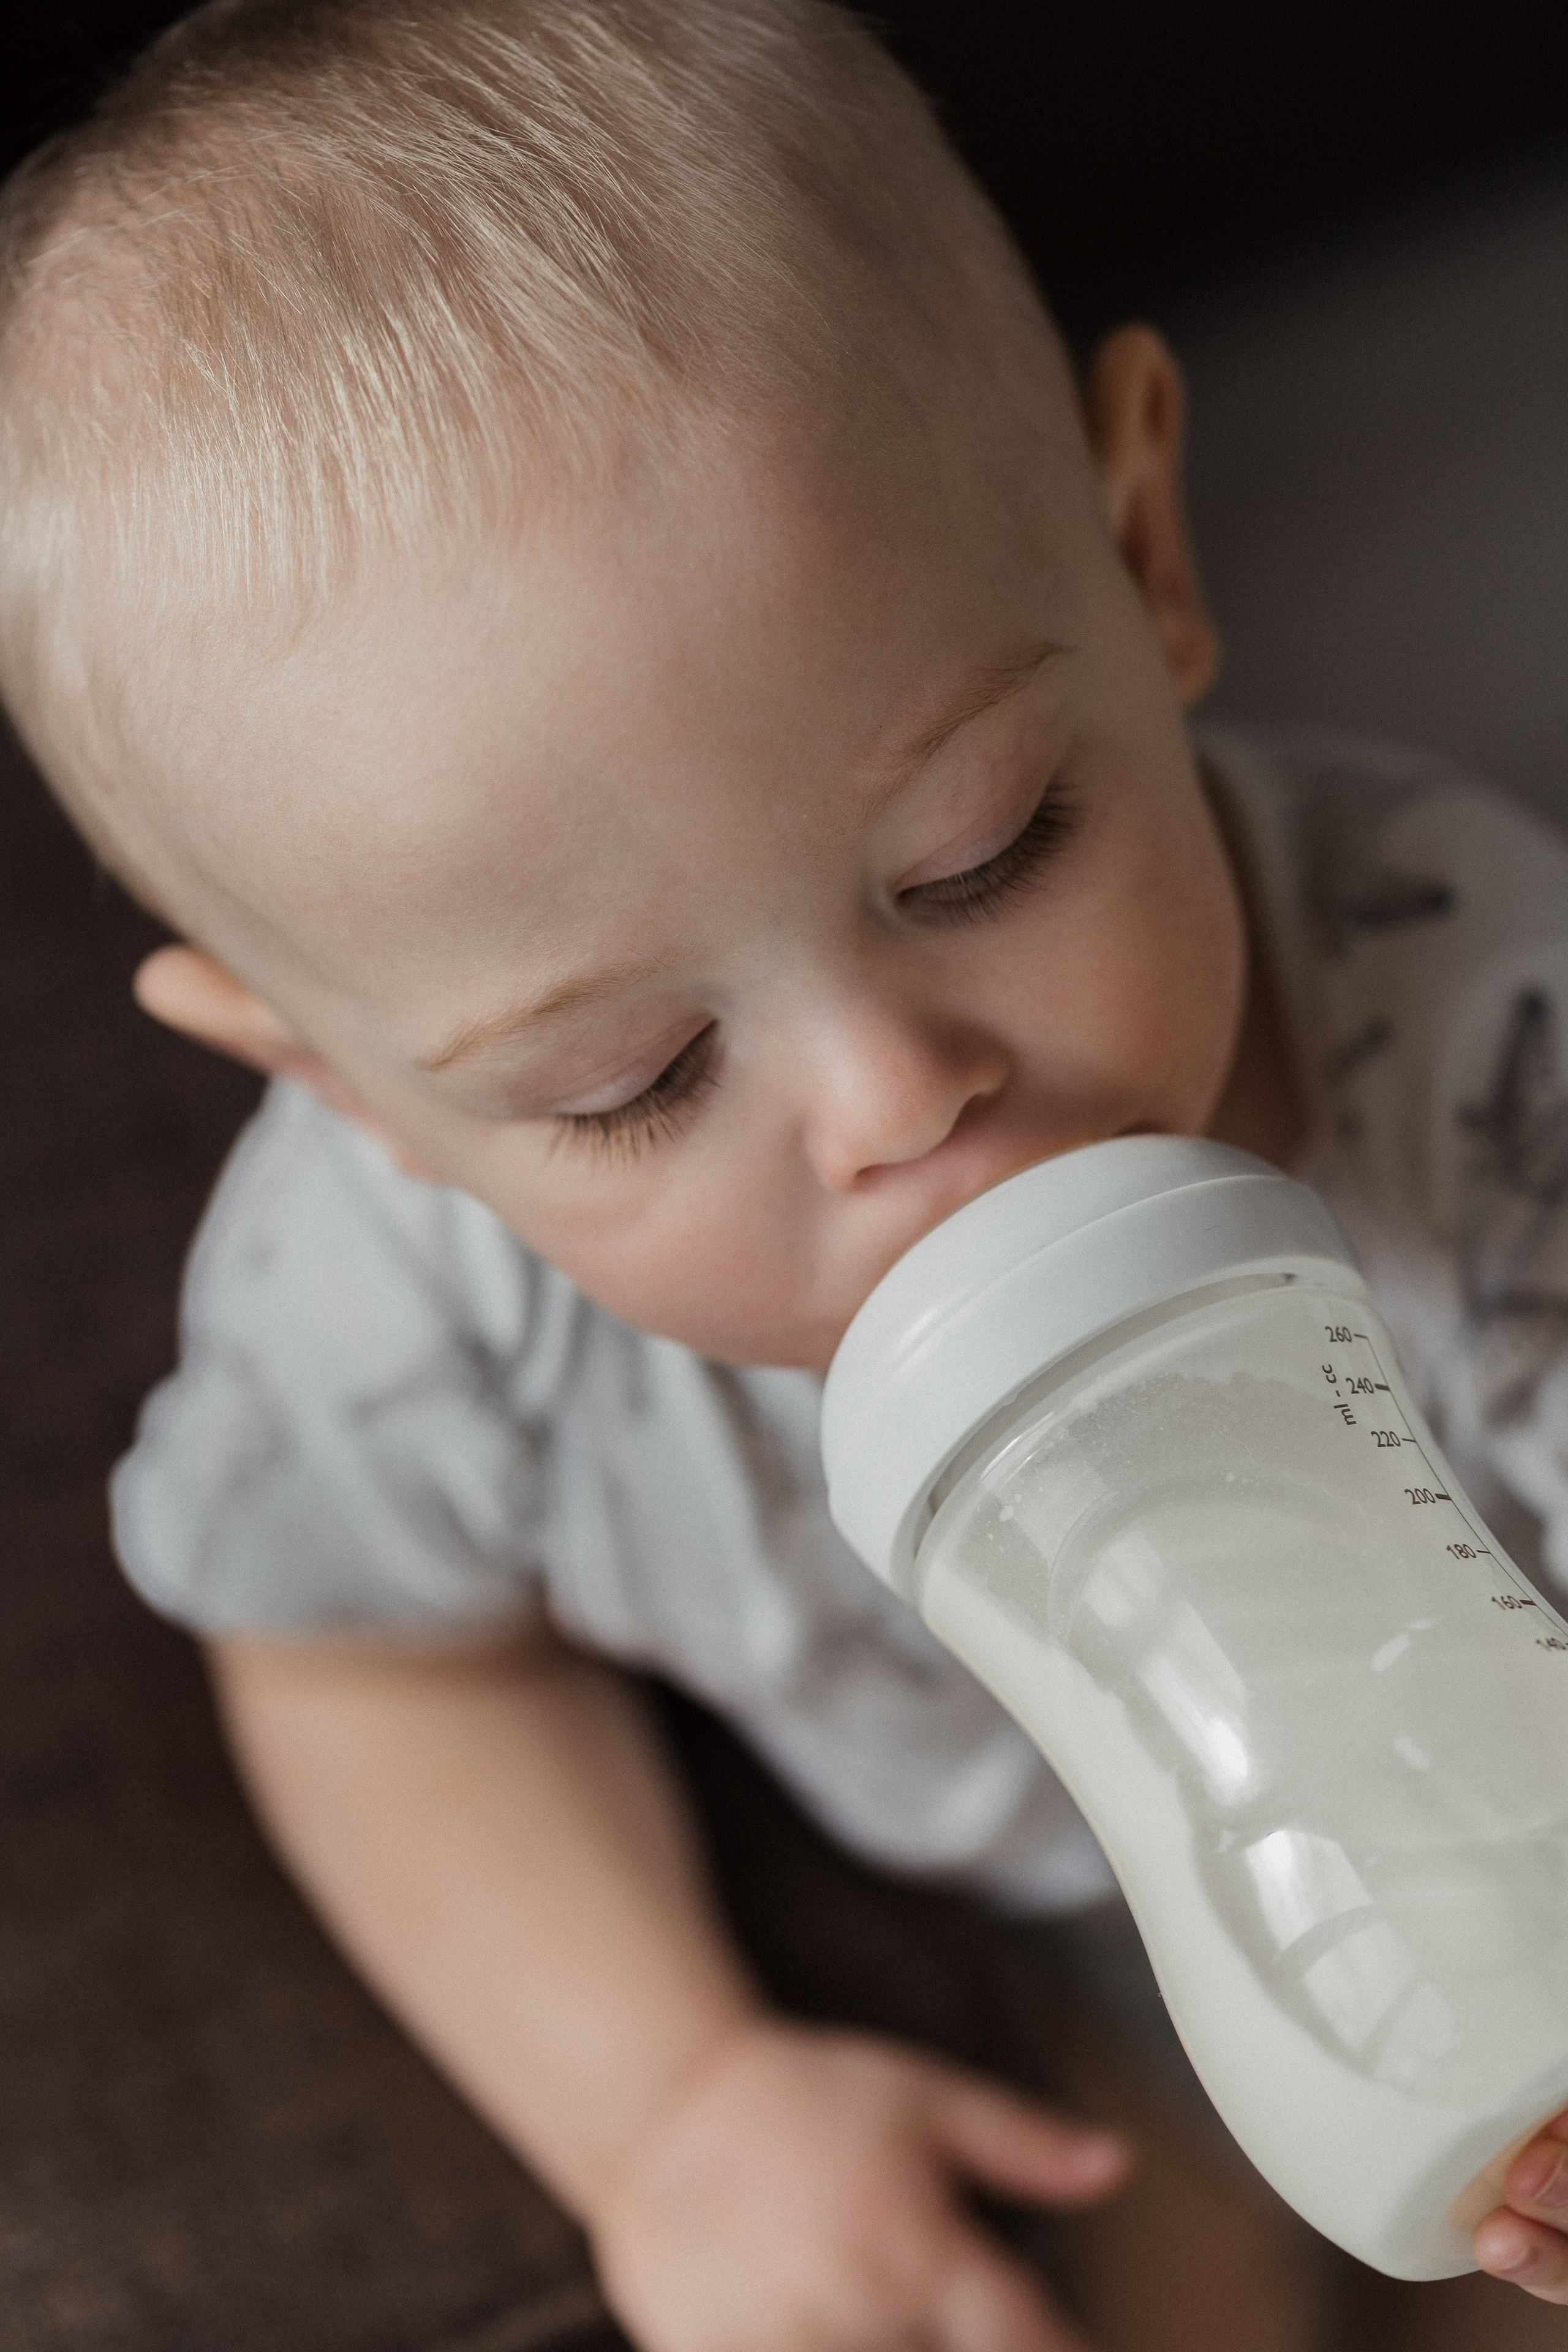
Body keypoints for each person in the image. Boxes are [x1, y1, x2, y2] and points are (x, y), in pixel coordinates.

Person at [4, 2, 1568, 2344]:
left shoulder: (1482, 1047)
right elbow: (371, 1663)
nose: (893, 1095)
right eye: (631, 1081)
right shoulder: (422, 1300)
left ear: (1143, 552)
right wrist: (667, 2100)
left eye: (987, 848)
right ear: (349, 1092)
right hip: (1024, 1934)